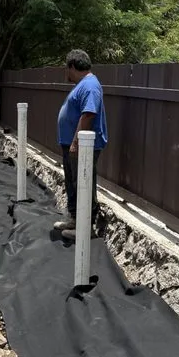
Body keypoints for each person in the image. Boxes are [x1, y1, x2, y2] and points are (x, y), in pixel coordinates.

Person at [54, 49, 107, 239]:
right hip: (73, 146)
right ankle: (76, 220)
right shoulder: (83, 85)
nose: (65, 72)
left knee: (83, 184)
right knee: (73, 182)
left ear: (72, 66)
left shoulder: (90, 85)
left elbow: (89, 114)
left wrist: (76, 143)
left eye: (66, 68)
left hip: (83, 147)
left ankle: (85, 229)